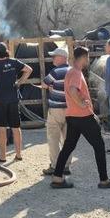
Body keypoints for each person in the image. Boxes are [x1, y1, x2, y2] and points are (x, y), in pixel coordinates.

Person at [51, 47, 110, 190]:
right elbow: (72, 90)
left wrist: (86, 108)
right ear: (83, 58)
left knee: (68, 147)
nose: (88, 60)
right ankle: (104, 180)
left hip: (72, 116)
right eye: (87, 58)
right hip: (82, 117)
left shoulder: (71, 72)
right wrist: (82, 104)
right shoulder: (76, 73)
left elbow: (72, 91)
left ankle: (57, 178)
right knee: (99, 146)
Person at [0, 42, 32, 162]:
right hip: (13, 100)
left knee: (2, 128)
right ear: (6, 51)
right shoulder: (14, 62)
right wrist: (19, 82)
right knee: (16, 128)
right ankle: (18, 154)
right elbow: (29, 70)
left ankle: (3, 156)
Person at [40, 48, 71, 176]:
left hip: (56, 109)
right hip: (71, 111)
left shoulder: (56, 71)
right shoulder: (74, 71)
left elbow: (44, 84)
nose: (53, 58)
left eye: (55, 56)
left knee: (53, 138)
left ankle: (55, 166)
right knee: (68, 140)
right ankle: (66, 166)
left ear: (62, 58)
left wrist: (50, 87)